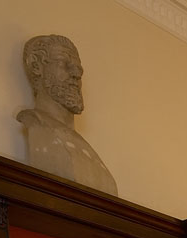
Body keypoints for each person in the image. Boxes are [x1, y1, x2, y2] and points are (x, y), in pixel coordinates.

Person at [17, 34, 118, 195]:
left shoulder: (82, 144)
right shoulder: (39, 128)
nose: (76, 74)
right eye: (64, 64)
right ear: (37, 67)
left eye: (79, 68)